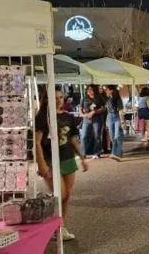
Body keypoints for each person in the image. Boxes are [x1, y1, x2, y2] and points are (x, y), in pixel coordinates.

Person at [35, 88, 89, 241]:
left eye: (61, 97)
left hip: (68, 158)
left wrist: (82, 157)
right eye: (55, 97)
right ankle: (49, 221)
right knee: (61, 194)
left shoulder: (68, 116)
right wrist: (42, 164)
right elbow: (37, 142)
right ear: (47, 99)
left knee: (67, 196)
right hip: (51, 160)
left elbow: (73, 139)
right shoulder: (42, 117)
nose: (59, 100)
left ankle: (60, 228)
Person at [79, 85, 106, 158]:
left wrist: (94, 112)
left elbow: (103, 108)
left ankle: (97, 153)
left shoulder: (99, 98)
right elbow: (80, 109)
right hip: (86, 119)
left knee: (97, 136)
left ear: (94, 90)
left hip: (97, 119)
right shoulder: (84, 98)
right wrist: (83, 115)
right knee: (83, 136)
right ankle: (82, 154)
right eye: (88, 89)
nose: (89, 91)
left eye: (91, 89)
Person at [104, 85, 124, 162]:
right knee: (112, 137)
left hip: (116, 117)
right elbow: (107, 111)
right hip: (109, 117)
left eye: (107, 90)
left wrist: (122, 121)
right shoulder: (108, 98)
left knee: (117, 136)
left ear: (111, 90)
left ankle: (117, 154)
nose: (106, 91)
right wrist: (106, 120)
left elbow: (120, 110)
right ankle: (115, 153)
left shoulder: (117, 98)